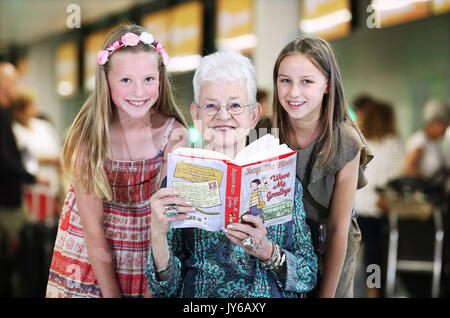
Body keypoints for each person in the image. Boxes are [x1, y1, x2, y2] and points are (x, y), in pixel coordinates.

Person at [145, 51, 317, 298]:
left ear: (254, 115)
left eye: (235, 105)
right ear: (196, 115)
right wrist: (158, 234)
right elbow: (164, 289)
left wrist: (266, 251)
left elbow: (307, 275)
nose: (223, 115)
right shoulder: (175, 182)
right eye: (211, 106)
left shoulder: (285, 179)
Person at [45, 24, 189, 298]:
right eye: (126, 80)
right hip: (91, 260)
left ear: (161, 78)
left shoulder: (174, 135)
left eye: (149, 79)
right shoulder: (90, 137)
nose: (139, 91)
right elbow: (94, 232)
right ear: (106, 80)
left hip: (149, 253)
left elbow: (165, 225)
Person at [271, 36, 373, 298]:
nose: (294, 92)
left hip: (331, 246)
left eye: (307, 81)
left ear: (327, 84)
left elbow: (339, 229)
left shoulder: (345, 140)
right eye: (285, 81)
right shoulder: (263, 131)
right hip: (280, 248)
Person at [0, 62, 49, 296]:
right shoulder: (2, 115)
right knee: (22, 250)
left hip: (10, 195)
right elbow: (4, 159)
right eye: (13, 81)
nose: (16, 86)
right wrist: (31, 176)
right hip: (6, 199)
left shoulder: (5, 114)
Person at [354, 98, 404, 298]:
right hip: (378, 207)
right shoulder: (395, 144)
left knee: (354, 255)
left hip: (357, 207)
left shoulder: (360, 142)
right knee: (374, 257)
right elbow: (395, 178)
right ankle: (373, 290)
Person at [10, 89, 62, 220]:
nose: (35, 107)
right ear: (20, 109)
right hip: (32, 184)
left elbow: (58, 149)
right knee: (36, 224)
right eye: (30, 105)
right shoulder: (15, 130)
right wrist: (45, 160)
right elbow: (20, 159)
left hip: (52, 182)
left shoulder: (43, 126)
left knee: (52, 221)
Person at [403, 99, 450, 178]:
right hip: (423, 189)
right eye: (444, 124)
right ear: (434, 121)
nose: (446, 127)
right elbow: (408, 168)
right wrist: (428, 180)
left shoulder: (434, 142)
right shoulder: (420, 140)